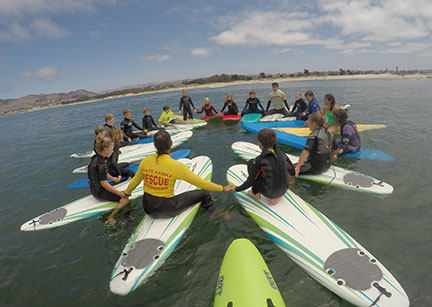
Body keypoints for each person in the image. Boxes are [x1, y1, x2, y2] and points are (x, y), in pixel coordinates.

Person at [123, 130, 232, 217]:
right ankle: (214, 213)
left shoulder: (145, 161)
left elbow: (135, 181)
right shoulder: (176, 166)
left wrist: (127, 193)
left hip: (147, 208)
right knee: (204, 193)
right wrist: (222, 188)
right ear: (171, 144)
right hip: (167, 209)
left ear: (155, 145)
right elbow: (201, 184)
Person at [234, 129, 295, 206]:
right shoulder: (282, 154)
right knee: (279, 167)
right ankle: (279, 195)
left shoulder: (259, 160)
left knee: (251, 163)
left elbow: (250, 181)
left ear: (259, 143)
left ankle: (255, 193)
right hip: (284, 190)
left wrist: (236, 189)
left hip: (269, 193)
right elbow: (292, 171)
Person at [88, 136, 130, 226]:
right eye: (111, 148)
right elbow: (104, 183)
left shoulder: (96, 157)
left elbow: (103, 173)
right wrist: (119, 193)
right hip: (99, 192)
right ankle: (111, 216)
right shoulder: (102, 163)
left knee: (122, 194)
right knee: (125, 199)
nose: (112, 151)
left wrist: (113, 179)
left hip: (93, 188)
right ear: (106, 149)